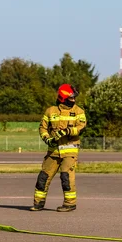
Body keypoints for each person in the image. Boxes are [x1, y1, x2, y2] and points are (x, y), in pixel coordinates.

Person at [32, 84, 87, 212]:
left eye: (74, 98)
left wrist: (68, 131)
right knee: (43, 177)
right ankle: (38, 203)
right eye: (71, 98)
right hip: (53, 151)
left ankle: (69, 204)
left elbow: (81, 127)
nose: (73, 100)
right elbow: (42, 128)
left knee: (66, 176)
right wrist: (47, 139)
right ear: (63, 98)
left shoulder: (79, 112)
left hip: (70, 150)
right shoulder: (50, 111)